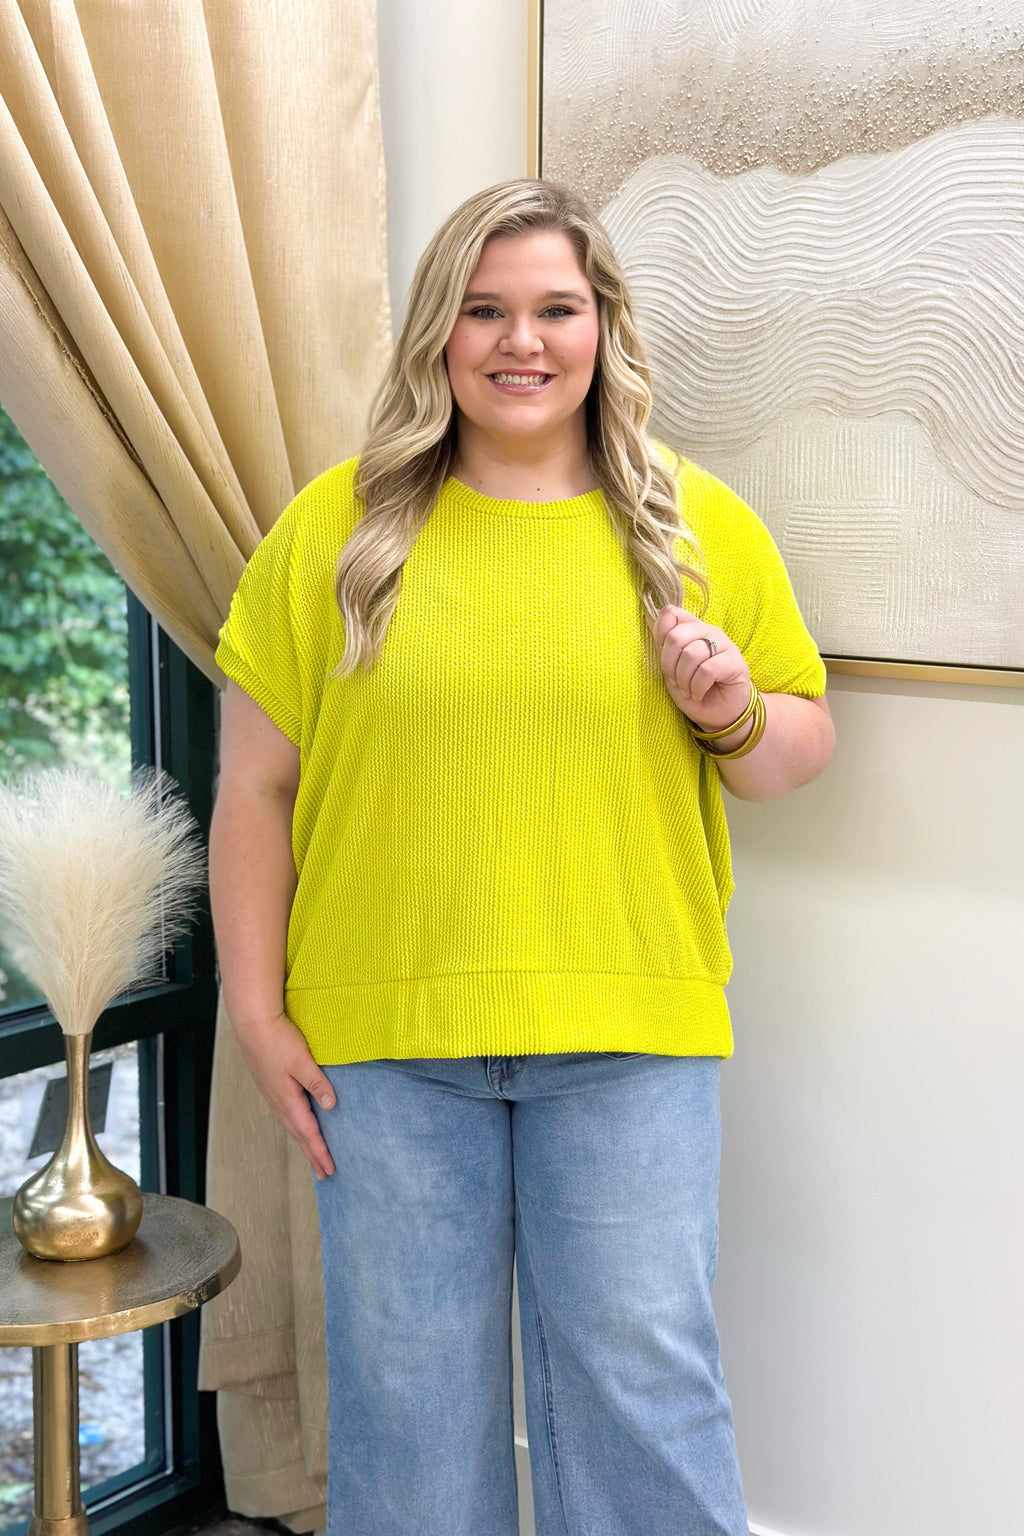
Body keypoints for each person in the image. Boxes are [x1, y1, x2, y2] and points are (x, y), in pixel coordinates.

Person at [209, 178, 833, 1536]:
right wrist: (256, 1013)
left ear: (603, 327)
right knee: (410, 1419)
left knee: (645, 1401)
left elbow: (794, 751)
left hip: (628, 1038)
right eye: (484, 310)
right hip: (386, 1050)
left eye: (556, 308)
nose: (521, 341)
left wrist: (730, 705)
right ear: (438, 330)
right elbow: (255, 787)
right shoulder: (332, 534)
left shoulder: (693, 526)